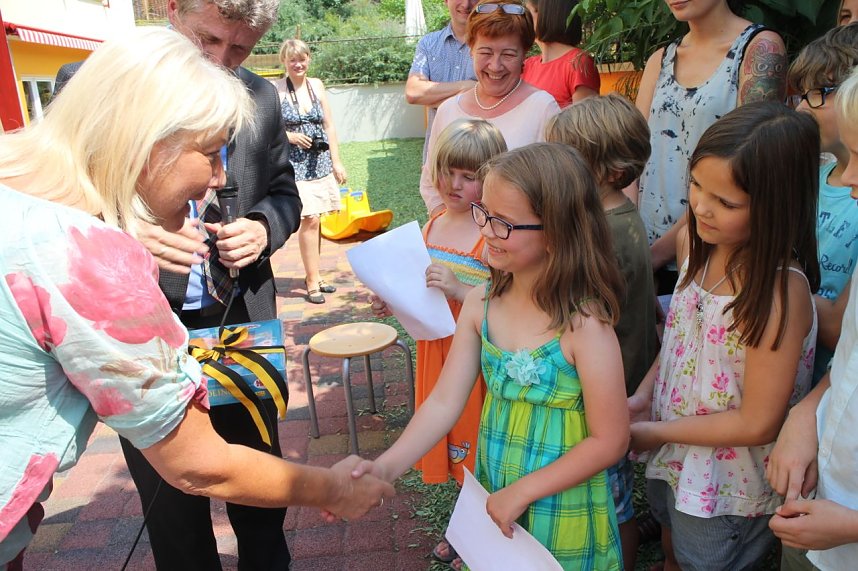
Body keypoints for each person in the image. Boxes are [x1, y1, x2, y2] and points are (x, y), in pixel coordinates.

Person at [0, 27, 394, 570]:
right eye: (210, 153)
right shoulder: (87, 256)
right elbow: (197, 462)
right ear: (147, 142)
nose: (220, 176)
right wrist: (332, 488)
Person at [56, 1, 306, 569]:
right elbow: (56, 198)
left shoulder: (262, 98)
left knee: (261, 491)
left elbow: (284, 192)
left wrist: (264, 228)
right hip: (146, 333)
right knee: (171, 506)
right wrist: (126, 232)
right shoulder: (95, 82)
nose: (220, 62)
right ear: (172, 9)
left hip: (242, 320)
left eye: (239, 50)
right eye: (207, 39)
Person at [357, 143, 629, 569]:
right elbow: (445, 402)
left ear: (557, 231)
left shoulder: (585, 325)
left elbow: (610, 439)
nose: (485, 231)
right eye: (484, 213)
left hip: (562, 503)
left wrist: (524, 491)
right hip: (496, 484)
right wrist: (386, 467)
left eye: (503, 223)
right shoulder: (480, 303)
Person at [628, 102, 820, 571]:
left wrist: (652, 431)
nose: (700, 206)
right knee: (673, 542)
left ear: (778, 204)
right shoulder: (696, 243)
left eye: (726, 202)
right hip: (676, 450)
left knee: (707, 559)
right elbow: (681, 338)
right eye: (696, 185)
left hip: (725, 482)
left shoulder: (777, 292)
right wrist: (645, 396)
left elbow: (758, 422)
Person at [370, 118, 506, 567]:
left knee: (478, 443)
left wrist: (458, 291)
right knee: (446, 438)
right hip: (435, 353)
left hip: (476, 360)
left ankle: (481, 529)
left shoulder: (492, 237)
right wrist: (392, 297)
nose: (455, 184)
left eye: (469, 177)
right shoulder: (431, 225)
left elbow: (504, 308)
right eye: (448, 172)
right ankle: (465, 523)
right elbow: (420, 289)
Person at [545, 93, 657, 571]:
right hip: (620, 376)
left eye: (569, 158)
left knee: (615, 503)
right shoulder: (609, 217)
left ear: (609, 169)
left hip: (610, 391)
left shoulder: (603, 234)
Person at [767, 67, 858, 571]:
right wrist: (806, 415)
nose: (844, 179)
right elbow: (849, 361)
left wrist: (850, 525)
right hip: (823, 491)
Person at [635, 0, 787, 294]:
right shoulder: (660, 59)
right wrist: (634, 244)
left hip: (713, 254)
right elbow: (632, 154)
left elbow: (751, 163)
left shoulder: (758, 49)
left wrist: (653, 256)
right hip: (645, 249)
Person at [419, 0, 560, 216]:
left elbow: (557, 192)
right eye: (485, 52)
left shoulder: (543, 109)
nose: (495, 66)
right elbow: (430, 181)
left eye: (508, 54)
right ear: (470, 49)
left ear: (524, 55)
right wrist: (453, 231)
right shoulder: (448, 110)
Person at [787, 23, 858, 387]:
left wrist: (766, 281)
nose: (802, 108)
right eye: (801, 95)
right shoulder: (813, 179)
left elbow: (836, 329)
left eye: (818, 93)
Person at [274, 39, 346, 305]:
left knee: (318, 221)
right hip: (294, 164)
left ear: (309, 59)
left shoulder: (317, 85)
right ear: (284, 61)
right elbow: (268, 130)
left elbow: (329, 126)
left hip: (320, 161)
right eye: (292, 59)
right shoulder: (276, 90)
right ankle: (312, 280)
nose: (298, 64)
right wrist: (290, 136)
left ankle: (315, 274)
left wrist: (336, 161)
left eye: (302, 59)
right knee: (310, 218)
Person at [407, 0, 479, 162]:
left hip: (479, 154)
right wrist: (467, 86)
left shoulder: (492, 46)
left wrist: (433, 98)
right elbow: (413, 93)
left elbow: (492, 97)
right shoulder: (428, 44)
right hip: (437, 154)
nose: (466, 4)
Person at [522, 0, 600, 108]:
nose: (523, 20)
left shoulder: (578, 63)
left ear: (543, 15)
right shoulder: (527, 65)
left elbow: (584, 123)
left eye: (527, 13)